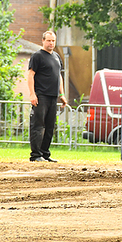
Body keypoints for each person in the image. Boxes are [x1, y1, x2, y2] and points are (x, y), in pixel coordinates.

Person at [28, 30, 68, 162]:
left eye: (53, 41)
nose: (51, 43)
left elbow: (59, 76)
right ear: (43, 41)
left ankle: (45, 154)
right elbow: (31, 75)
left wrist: (61, 94)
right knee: (38, 125)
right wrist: (32, 93)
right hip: (41, 95)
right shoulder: (37, 56)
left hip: (53, 96)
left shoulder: (56, 56)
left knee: (50, 126)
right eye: (48, 40)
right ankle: (36, 155)